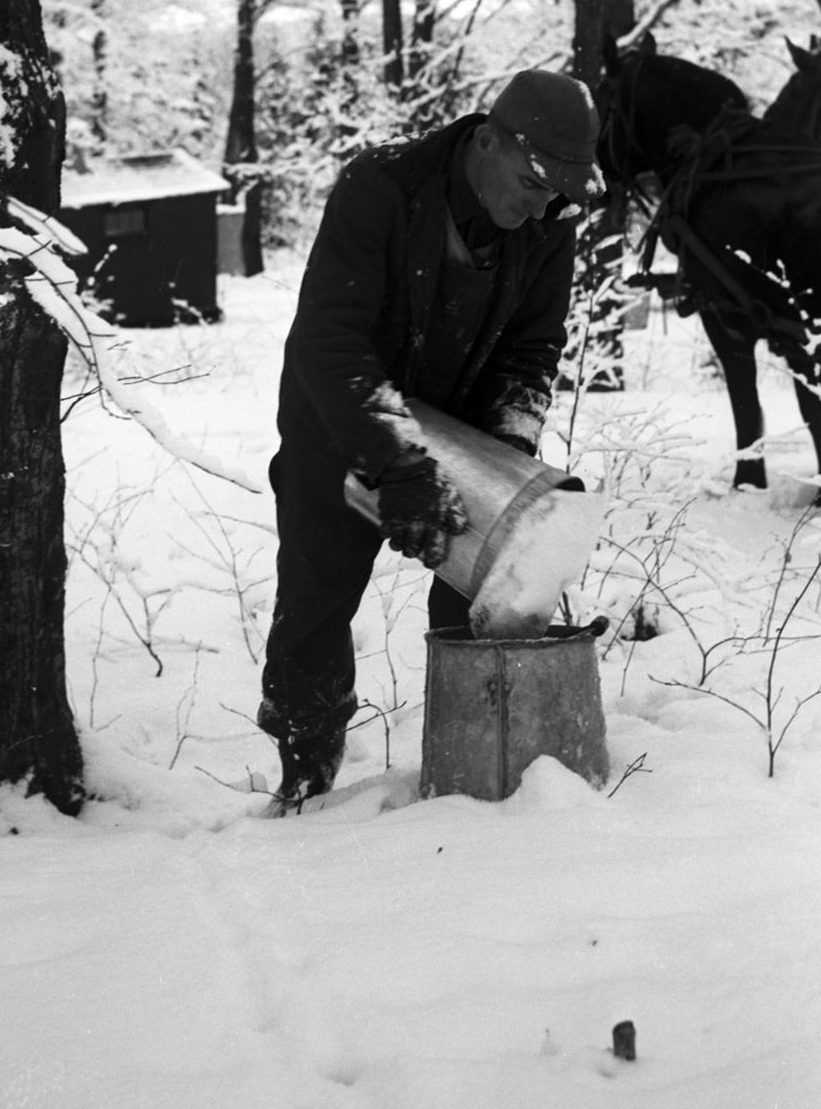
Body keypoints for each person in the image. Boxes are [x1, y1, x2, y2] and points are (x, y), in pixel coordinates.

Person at [257, 67, 604, 812]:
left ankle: (479, 783)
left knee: (487, 604)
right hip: (341, 416)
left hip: (465, 424)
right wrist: (398, 461)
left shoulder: (549, 225)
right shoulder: (378, 187)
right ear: (486, 142)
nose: (543, 203)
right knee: (315, 608)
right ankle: (303, 782)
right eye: (534, 181)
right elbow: (331, 337)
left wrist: (505, 460)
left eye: (558, 192)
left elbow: (530, 352)